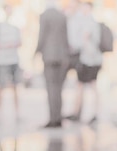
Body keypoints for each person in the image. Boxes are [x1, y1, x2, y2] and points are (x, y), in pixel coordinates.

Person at [35, 0, 70, 128]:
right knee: (59, 89)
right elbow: (66, 38)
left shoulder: (44, 16)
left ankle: (52, 119)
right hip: (61, 57)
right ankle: (58, 117)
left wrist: (36, 52)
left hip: (49, 57)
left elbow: (41, 36)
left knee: (51, 88)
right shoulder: (62, 16)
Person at [67, 1, 101, 124]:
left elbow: (84, 40)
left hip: (89, 60)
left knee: (89, 86)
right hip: (92, 59)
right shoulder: (92, 22)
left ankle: (93, 113)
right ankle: (78, 111)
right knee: (83, 85)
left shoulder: (89, 22)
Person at [0, 4, 22, 123]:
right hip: (2, 61)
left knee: (15, 87)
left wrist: (10, 45)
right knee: (0, 87)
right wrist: (6, 45)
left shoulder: (15, 27)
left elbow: (19, 42)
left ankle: (17, 113)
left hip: (14, 60)